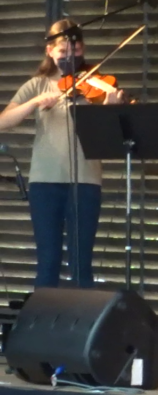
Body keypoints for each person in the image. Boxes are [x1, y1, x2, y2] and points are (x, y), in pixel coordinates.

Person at [0, 19, 123, 288]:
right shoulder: (38, 84)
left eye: (76, 51)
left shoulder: (97, 82)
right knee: (48, 259)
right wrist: (33, 102)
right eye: (63, 53)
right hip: (44, 181)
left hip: (86, 180)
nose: (70, 58)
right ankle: (45, 323)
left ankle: (82, 324)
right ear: (50, 52)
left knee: (81, 262)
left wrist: (111, 107)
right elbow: (4, 121)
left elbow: (114, 133)